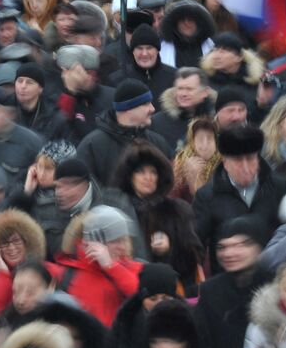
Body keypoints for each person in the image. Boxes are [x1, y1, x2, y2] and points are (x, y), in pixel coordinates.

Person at [193, 123, 286, 273]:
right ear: (225, 162)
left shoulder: (279, 187)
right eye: (238, 160)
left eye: (250, 159)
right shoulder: (207, 196)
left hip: (273, 277)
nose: (245, 167)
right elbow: (195, 244)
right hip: (228, 281)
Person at [112, 141, 203, 294]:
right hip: (125, 290)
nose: (148, 177)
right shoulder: (117, 211)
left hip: (168, 293)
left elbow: (194, 257)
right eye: (141, 171)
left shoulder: (177, 210)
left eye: (153, 172)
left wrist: (170, 248)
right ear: (129, 176)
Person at [196, 217, 270, 348]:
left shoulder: (277, 286)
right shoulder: (210, 290)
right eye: (222, 247)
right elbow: (203, 344)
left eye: (241, 245)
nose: (229, 253)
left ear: (260, 246)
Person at [54, 206, 142, 327]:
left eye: (125, 240)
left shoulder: (134, 268)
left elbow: (143, 297)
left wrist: (111, 266)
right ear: (93, 243)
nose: (122, 247)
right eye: (115, 241)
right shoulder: (68, 273)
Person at [76, 79, 172, 186]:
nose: (153, 109)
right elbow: (84, 186)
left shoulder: (158, 142)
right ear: (128, 108)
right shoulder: (92, 145)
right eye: (145, 104)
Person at [0, 208, 60, 326]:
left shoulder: (47, 269)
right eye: (4, 243)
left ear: (27, 242)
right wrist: (3, 276)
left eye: (16, 241)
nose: (12, 248)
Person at [150, 67, 215, 150]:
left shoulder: (218, 119)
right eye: (180, 89)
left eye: (189, 89)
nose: (183, 94)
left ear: (205, 92)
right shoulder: (157, 122)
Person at [171, 116, 220, 203]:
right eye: (200, 140)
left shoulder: (224, 166)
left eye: (209, 139)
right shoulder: (178, 166)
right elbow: (172, 201)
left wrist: (196, 179)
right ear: (192, 142)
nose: (205, 146)